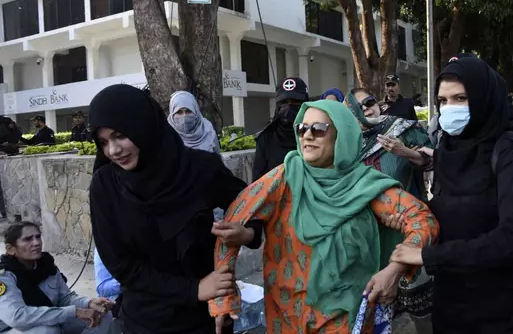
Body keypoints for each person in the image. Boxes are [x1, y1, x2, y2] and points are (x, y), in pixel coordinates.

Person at [209, 100, 439, 334]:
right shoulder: (284, 178)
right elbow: (231, 223)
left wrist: (395, 268)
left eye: (318, 129)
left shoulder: (365, 186)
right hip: (285, 317)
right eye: (302, 128)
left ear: (342, 135)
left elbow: (423, 220)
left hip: (344, 319)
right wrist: (223, 297)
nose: (307, 135)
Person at [390, 57, 513, 334]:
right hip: (451, 303)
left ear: (484, 97)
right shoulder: (450, 149)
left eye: (460, 98)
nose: (449, 109)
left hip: (503, 309)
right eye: (443, 101)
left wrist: (429, 256)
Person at [88, 84, 263, 334]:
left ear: (143, 125)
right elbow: (121, 265)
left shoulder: (200, 168)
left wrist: (248, 234)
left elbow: (252, 203)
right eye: (103, 142)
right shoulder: (105, 185)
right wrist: (193, 289)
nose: (113, 151)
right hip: (144, 321)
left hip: (205, 319)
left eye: (120, 135)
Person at [345, 89, 435, 330]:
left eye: (370, 102)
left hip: (411, 228)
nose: (367, 109)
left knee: (422, 315)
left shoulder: (402, 129)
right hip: (372, 238)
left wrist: (403, 152)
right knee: (381, 311)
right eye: (359, 107)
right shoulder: (347, 145)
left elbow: (432, 161)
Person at [0, 222, 114, 334]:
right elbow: (17, 317)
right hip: (12, 328)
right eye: (28, 239)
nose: (36, 243)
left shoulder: (46, 265)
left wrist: (89, 303)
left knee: (101, 315)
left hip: (51, 319)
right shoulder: (5, 276)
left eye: (38, 237)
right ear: (11, 249)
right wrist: (74, 312)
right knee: (47, 331)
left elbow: (64, 298)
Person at [252, 77, 309, 181]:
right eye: (284, 102)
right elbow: (257, 183)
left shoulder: (315, 134)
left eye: (296, 102)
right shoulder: (266, 138)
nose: (289, 107)